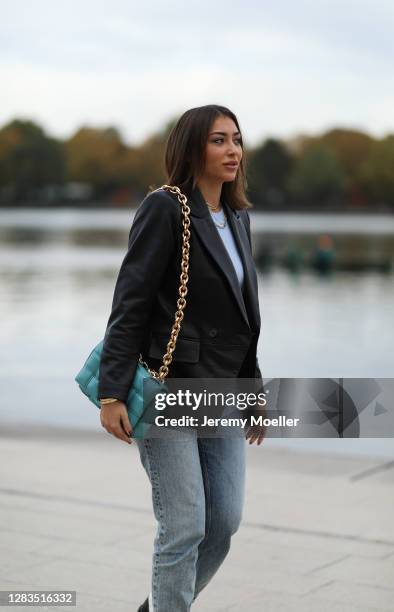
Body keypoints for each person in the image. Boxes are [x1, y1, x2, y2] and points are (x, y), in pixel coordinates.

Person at [98, 104, 266, 611]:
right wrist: (111, 392)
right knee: (184, 525)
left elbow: (242, 319)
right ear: (192, 147)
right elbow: (131, 302)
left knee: (222, 523)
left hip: (220, 393)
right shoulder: (165, 207)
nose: (232, 150)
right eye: (219, 140)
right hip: (167, 386)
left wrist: (253, 393)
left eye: (236, 139)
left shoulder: (238, 218)